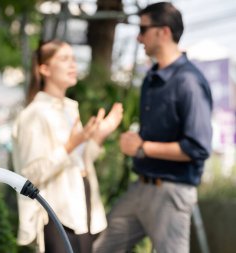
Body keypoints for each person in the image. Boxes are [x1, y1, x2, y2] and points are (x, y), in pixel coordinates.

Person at [94, 2, 213, 253]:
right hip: (141, 187)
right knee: (102, 249)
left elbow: (198, 148)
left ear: (164, 32)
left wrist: (143, 147)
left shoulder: (189, 82)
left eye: (143, 29)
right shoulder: (151, 77)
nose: (138, 37)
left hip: (171, 192)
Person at [12, 39, 123, 253]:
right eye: (64, 59)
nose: (73, 65)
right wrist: (71, 145)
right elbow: (30, 175)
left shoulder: (70, 109)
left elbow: (80, 162)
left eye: (73, 59)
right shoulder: (34, 114)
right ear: (44, 69)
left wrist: (100, 134)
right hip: (56, 214)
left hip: (83, 206)